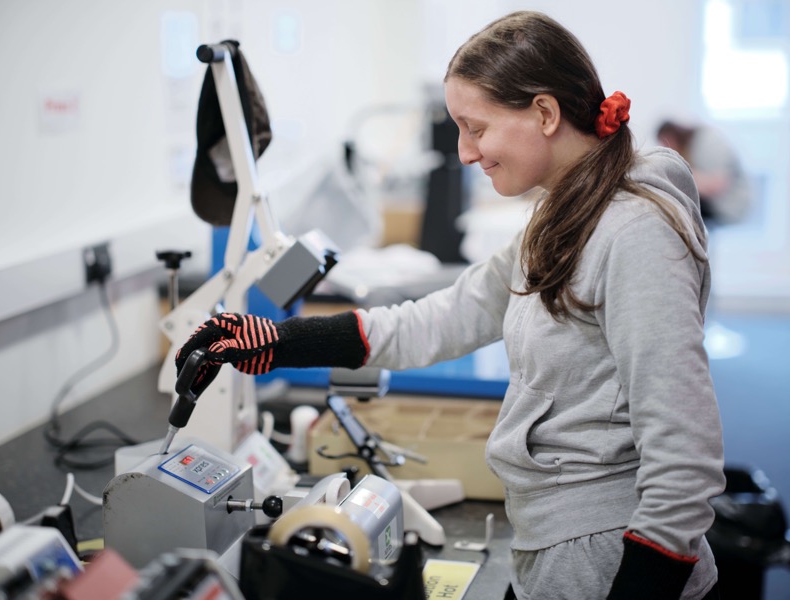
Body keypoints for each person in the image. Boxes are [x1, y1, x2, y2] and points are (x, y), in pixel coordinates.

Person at [176, 11, 725, 600]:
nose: (464, 152)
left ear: (544, 113)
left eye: (475, 127)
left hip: (611, 561)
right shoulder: (564, 214)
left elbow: (684, 457)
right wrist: (281, 341)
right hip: (551, 549)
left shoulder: (634, 232)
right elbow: (442, 319)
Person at [656, 120, 752, 227]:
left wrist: (683, 174)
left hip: (731, 204)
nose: (669, 148)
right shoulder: (693, 146)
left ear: (673, 136)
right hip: (717, 202)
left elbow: (717, 185)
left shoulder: (707, 142)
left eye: (666, 143)